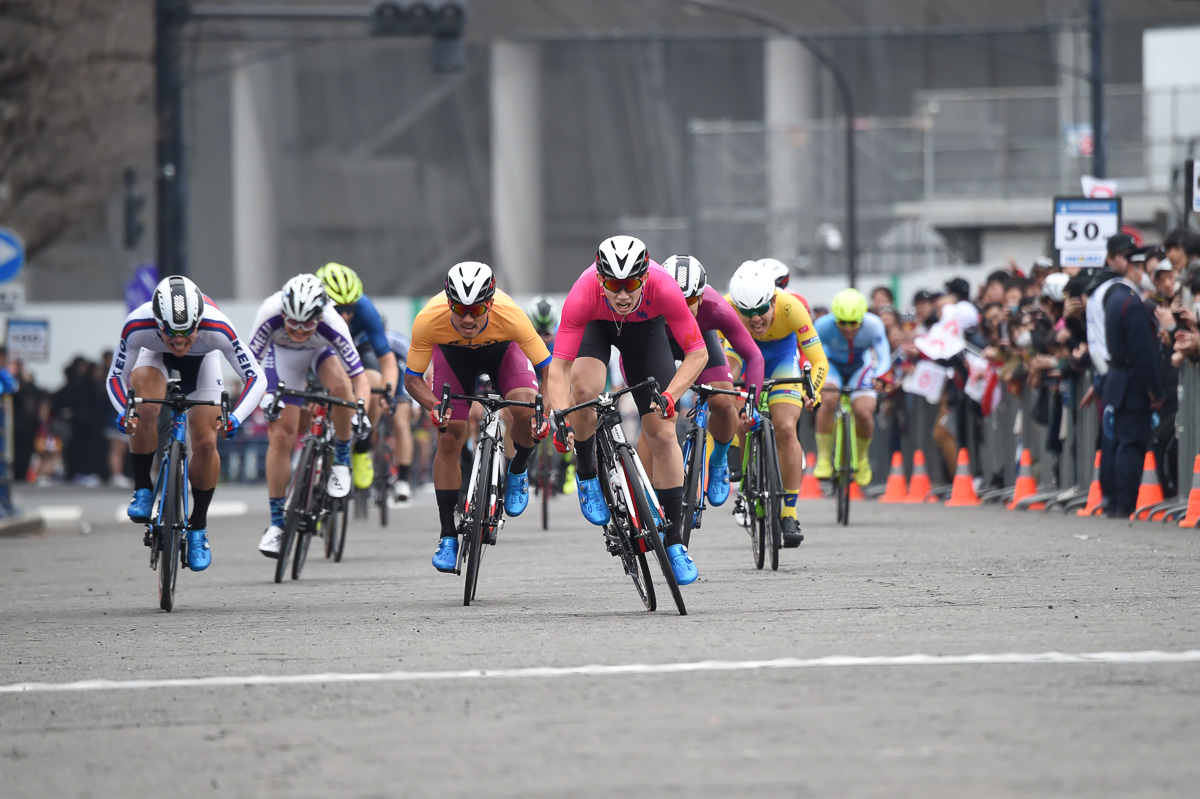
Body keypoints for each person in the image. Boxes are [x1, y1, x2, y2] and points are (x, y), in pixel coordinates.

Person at [546, 235, 708, 585]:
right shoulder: (583, 292)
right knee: (586, 390)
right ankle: (587, 471)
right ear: (601, 279)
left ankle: (675, 542)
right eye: (613, 286)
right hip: (597, 330)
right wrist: (560, 416)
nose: (622, 295)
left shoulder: (664, 288)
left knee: (664, 433)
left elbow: (697, 353)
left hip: (645, 336)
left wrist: (670, 395)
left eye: (631, 285)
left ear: (645, 278)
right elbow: (558, 368)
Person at [107, 275, 266, 571]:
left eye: (186, 334)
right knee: (145, 407)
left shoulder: (217, 325)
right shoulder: (138, 324)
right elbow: (116, 376)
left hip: (204, 363)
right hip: (154, 357)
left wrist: (235, 418)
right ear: (157, 323)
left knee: (206, 441)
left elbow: (256, 377)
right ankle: (142, 487)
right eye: (171, 335)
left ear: (198, 321)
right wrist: (123, 411)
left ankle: (198, 527)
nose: (179, 342)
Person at [403, 262, 551, 573]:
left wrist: (545, 410)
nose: (468, 318)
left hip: (503, 353)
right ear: (448, 302)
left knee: (524, 406)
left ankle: (519, 468)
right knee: (450, 435)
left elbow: (547, 368)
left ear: (491, 303)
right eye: (459, 309)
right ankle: (447, 536)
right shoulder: (429, 318)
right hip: (453, 358)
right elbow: (412, 378)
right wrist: (433, 405)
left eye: (477, 309)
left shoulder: (511, 315)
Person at [250, 274, 371, 558]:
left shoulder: (333, 322)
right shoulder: (269, 311)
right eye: (292, 322)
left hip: (320, 354)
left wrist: (361, 408)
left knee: (341, 386)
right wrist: (266, 399)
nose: (300, 330)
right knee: (281, 436)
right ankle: (277, 523)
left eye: (308, 323)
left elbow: (359, 377)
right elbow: (250, 367)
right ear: (283, 313)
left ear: (320, 315)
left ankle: (341, 457)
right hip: (282, 360)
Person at [725, 260, 827, 547]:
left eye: (761, 310)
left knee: (784, 427)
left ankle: (789, 513)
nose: (756, 319)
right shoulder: (725, 306)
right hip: (740, 351)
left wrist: (813, 390)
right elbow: (715, 358)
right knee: (727, 386)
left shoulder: (791, 306)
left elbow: (818, 359)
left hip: (782, 358)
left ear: (773, 299)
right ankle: (737, 447)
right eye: (747, 313)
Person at [653, 254, 761, 505]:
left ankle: (719, 458)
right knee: (658, 415)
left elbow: (753, 356)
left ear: (702, 296)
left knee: (723, 401)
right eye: (676, 298)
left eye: (690, 300)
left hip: (700, 344)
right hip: (661, 345)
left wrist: (750, 404)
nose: (681, 305)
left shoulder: (716, 307)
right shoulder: (652, 303)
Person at [316, 262, 400, 493]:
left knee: (374, 382)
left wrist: (388, 393)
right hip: (323, 350)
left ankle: (362, 446)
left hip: (359, 349)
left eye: (350, 308)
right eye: (338, 308)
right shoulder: (312, 309)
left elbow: (388, 361)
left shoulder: (366, 310)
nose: (345, 315)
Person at [1101, 244, 1164, 518]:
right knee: (1131, 444)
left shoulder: (1115, 298)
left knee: (1116, 443)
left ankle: (1113, 500)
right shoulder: (1133, 303)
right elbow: (1143, 353)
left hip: (1118, 378)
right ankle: (1124, 503)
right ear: (1132, 269)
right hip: (1133, 382)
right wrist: (1155, 390)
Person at [812, 288, 891, 487]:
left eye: (854, 323)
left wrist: (880, 377)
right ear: (834, 318)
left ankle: (862, 458)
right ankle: (823, 459)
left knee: (864, 413)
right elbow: (811, 354)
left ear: (863, 318)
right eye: (842, 323)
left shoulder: (874, 325)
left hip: (860, 367)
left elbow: (884, 358)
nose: (848, 328)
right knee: (828, 400)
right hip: (832, 366)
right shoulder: (822, 325)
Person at [383, 327, 415, 501]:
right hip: (375, 382)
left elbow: (415, 369)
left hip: (400, 385)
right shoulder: (359, 339)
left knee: (401, 425)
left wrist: (415, 404)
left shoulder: (396, 340)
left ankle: (403, 479)